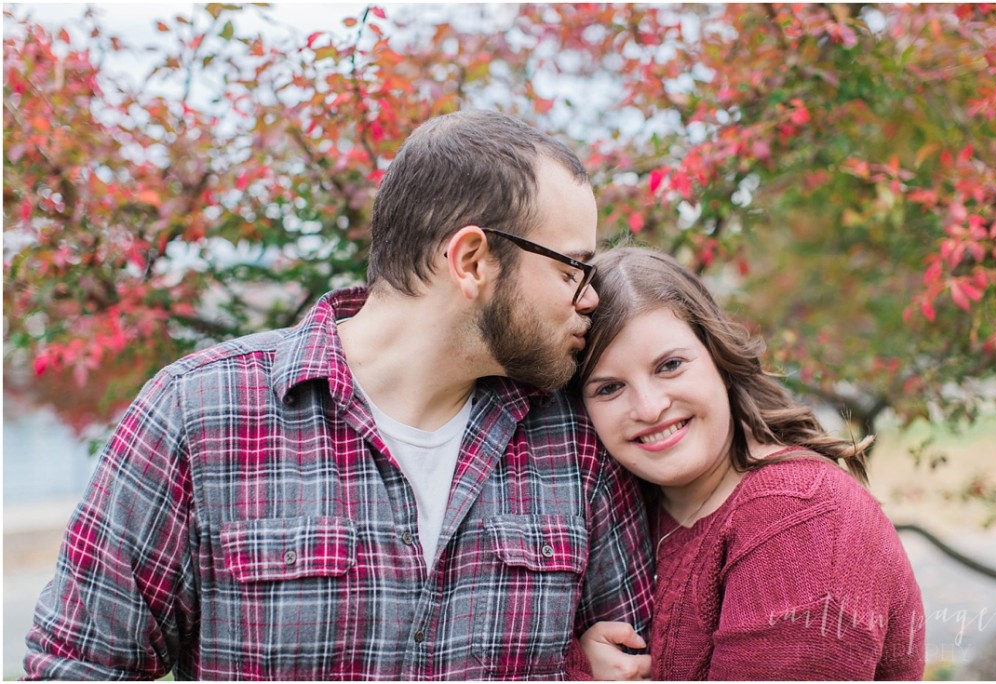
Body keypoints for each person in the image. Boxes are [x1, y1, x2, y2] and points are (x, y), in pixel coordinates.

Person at [23, 110, 654, 681]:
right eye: (571, 270)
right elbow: (76, 667)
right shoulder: (199, 415)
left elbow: (646, 654)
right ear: (471, 260)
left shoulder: (574, 439)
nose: (590, 298)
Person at [572, 247, 925, 681]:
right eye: (608, 388)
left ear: (719, 358)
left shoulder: (800, 519)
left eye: (670, 365)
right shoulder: (625, 511)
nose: (648, 407)